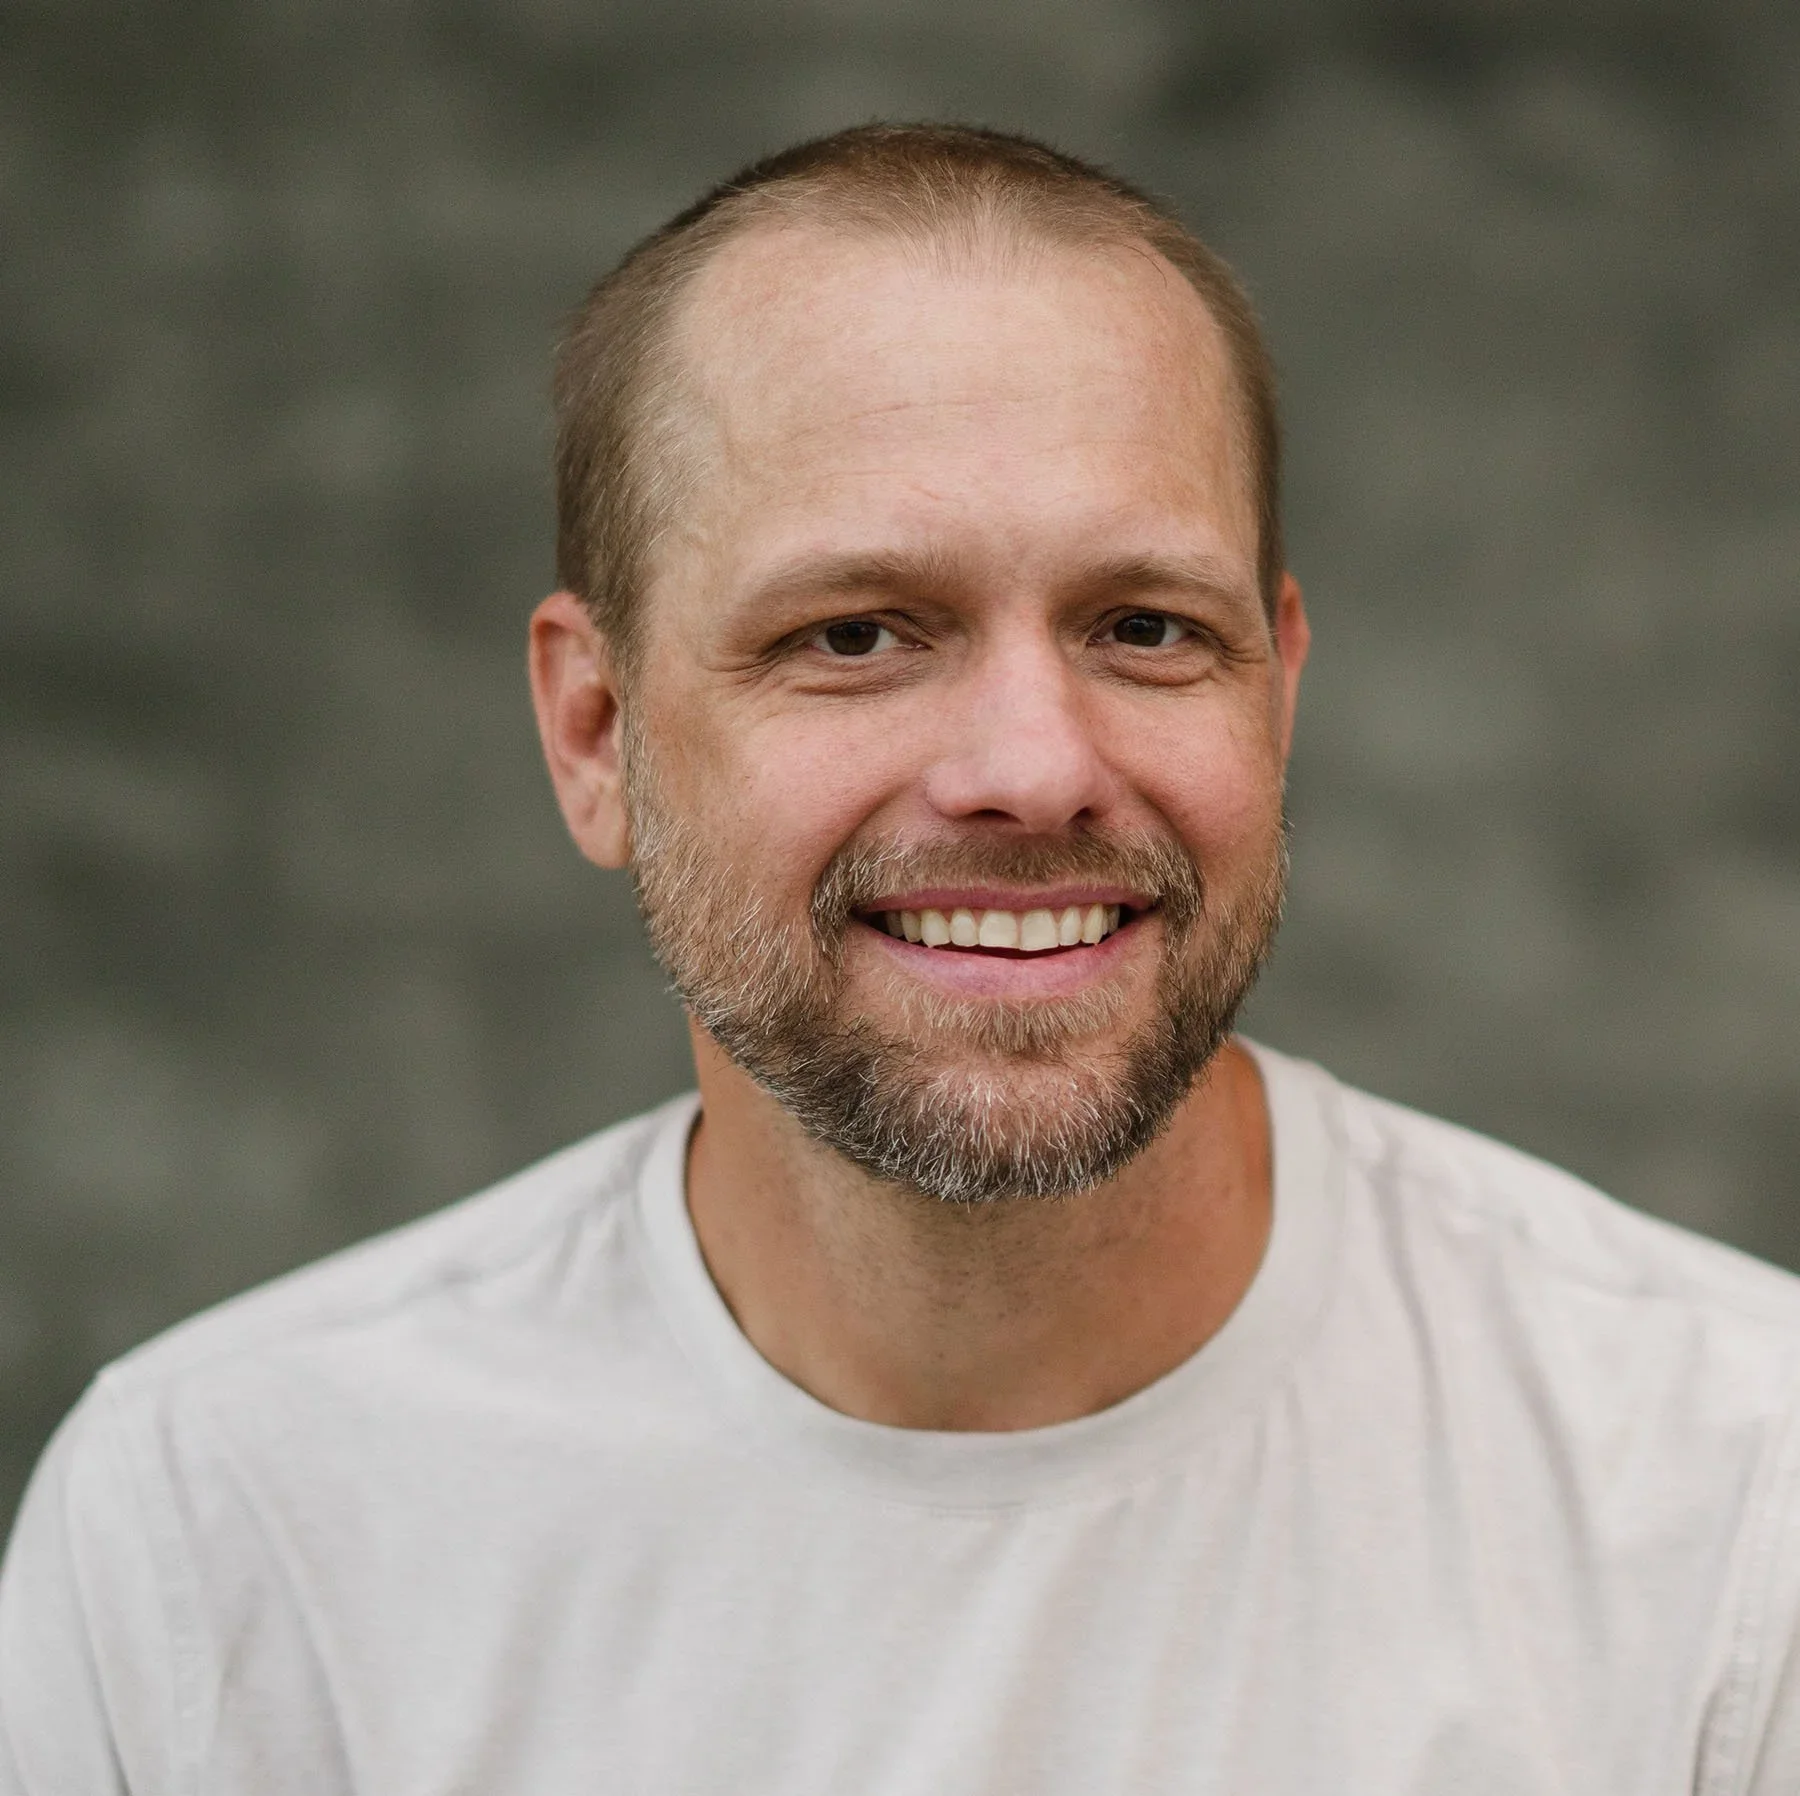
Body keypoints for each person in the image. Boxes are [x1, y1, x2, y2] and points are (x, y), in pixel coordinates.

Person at [2, 122, 1797, 1795]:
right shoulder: (223, 1537)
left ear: (1282, 688)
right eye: (857, 633)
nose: (1032, 765)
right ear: (596, 730)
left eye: (1148, 628)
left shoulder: (1728, 1495)